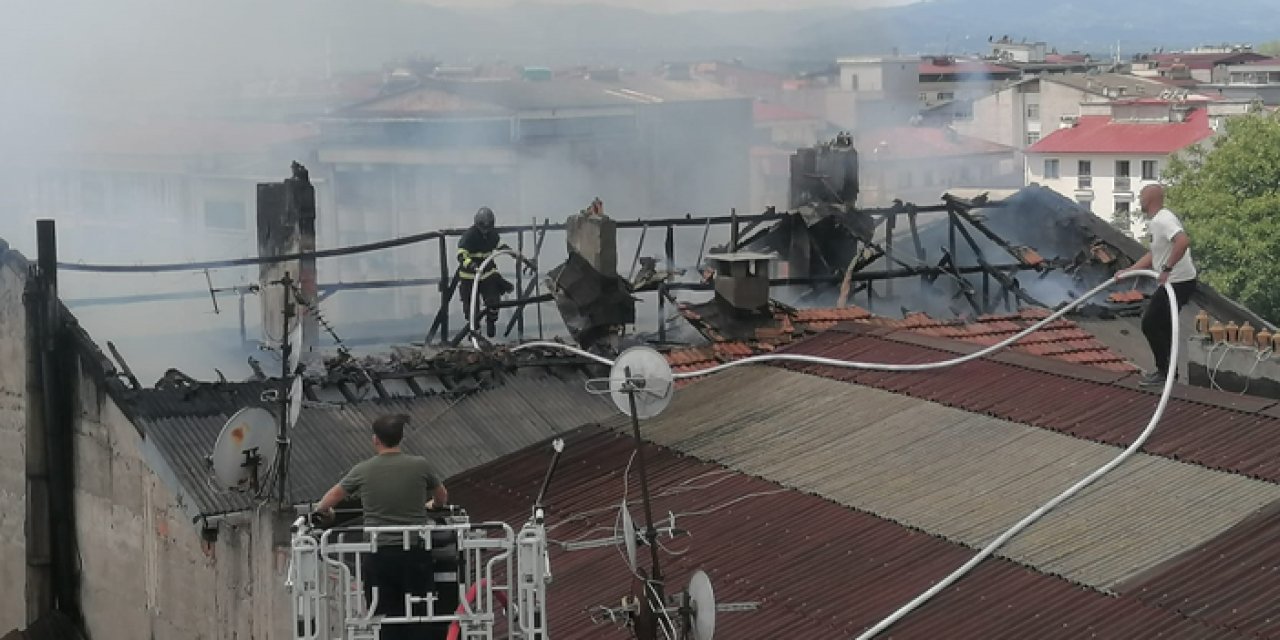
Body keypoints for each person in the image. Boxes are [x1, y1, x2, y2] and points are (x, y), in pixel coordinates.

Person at [316, 414, 448, 639]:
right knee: (420, 614)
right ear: (401, 438)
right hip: (415, 553)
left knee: (385, 616)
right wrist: (433, 506)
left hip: (380, 555)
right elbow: (442, 497)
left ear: (375, 439)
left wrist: (328, 515)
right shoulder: (420, 465)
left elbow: (324, 504)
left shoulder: (362, 470)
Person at [1117, 184, 1199, 386]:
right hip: (1174, 280)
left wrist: (1167, 269)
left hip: (1179, 281)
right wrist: (1130, 271)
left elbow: (1183, 241)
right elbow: (1154, 254)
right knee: (1162, 324)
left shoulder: (1164, 219)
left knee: (1151, 323)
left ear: (1151, 199)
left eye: (1142, 196)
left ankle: (1164, 372)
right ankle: (1169, 371)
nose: (1139, 200)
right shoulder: (1157, 222)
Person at [457, 206, 515, 338]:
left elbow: (500, 245)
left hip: (488, 274)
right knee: (472, 309)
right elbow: (461, 255)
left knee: (494, 301)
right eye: (483, 227)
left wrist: (511, 252)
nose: (485, 231)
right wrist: (470, 264)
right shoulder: (469, 236)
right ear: (477, 224)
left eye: (488, 227)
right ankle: (475, 332)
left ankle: (491, 322)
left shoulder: (492, 234)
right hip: (469, 277)